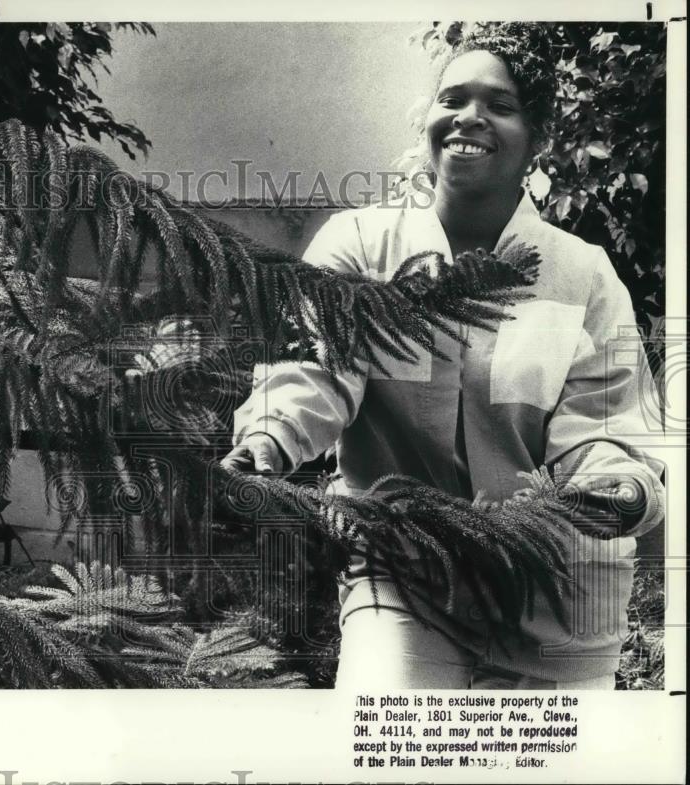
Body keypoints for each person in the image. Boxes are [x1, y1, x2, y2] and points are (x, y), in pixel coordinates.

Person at [221, 24, 665, 690]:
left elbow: (601, 433)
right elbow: (313, 366)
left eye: (500, 104)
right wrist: (269, 436)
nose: (470, 117)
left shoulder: (584, 277)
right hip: (401, 578)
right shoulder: (360, 246)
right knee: (388, 742)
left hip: (555, 602)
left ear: (537, 139)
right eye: (452, 98)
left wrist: (621, 490)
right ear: (426, 122)